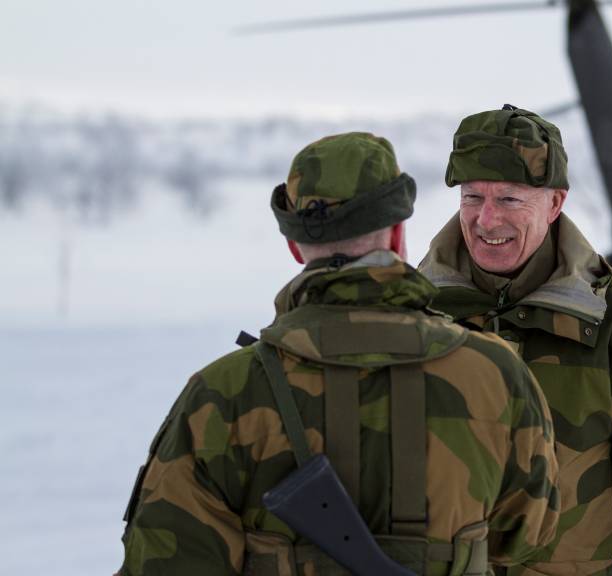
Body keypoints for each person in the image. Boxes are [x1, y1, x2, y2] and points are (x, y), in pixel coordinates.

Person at [118, 132, 560, 576]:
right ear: (397, 235)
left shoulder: (223, 393)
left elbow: (163, 561)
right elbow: (526, 535)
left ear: (295, 247)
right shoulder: (496, 374)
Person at [419, 106, 612, 576]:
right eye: (472, 196)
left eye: (510, 199)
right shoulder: (414, 322)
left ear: (555, 203)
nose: (486, 219)